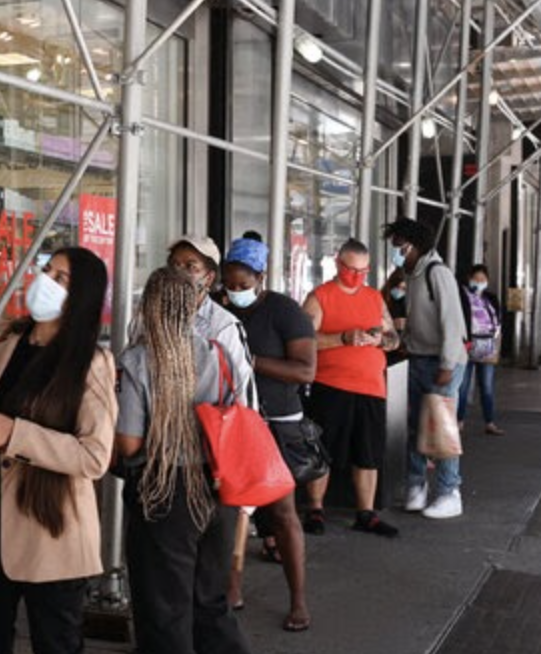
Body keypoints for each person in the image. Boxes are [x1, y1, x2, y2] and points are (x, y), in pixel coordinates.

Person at [0, 247, 116, 654]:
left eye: (61, 279)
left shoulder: (91, 362)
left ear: (82, 298)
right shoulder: (6, 337)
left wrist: (14, 435)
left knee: (56, 642)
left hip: (51, 527)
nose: (45, 281)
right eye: (47, 271)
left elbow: (94, 456)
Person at [116, 266, 252, 654]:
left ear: (151, 308)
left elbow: (129, 443)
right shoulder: (218, 352)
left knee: (164, 611)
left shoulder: (139, 360)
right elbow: (237, 409)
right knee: (210, 601)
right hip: (217, 487)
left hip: (165, 493)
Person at [216, 238, 315, 633]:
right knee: (232, 510)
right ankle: (231, 589)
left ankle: (299, 600)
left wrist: (250, 360)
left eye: (242, 285)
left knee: (283, 513)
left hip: (278, 422)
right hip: (235, 419)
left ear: (260, 278)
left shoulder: (285, 312)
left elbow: (305, 370)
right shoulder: (219, 306)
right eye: (229, 285)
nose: (234, 292)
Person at [301, 239, 401, 537]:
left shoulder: (374, 298)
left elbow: (394, 338)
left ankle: (365, 513)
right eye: (350, 269)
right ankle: (315, 509)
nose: (356, 275)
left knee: (368, 454)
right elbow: (304, 340)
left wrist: (380, 341)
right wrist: (342, 338)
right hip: (330, 386)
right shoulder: (320, 297)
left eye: (363, 270)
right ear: (337, 264)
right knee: (324, 450)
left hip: (371, 387)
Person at [382, 218, 468, 520]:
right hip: (419, 358)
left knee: (441, 428)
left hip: (441, 361)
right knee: (416, 427)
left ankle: (449, 492)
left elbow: (452, 323)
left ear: (413, 245)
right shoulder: (413, 274)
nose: (395, 252)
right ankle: (416, 488)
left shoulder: (437, 273)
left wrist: (447, 364)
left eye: (398, 247)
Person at [167, 235, 254, 405]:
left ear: (209, 277)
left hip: (206, 424)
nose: (180, 273)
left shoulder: (223, 326)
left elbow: (243, 388)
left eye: (191, 267)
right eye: (175, 265)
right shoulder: (147, 317)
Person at [458, 264, 504, 436]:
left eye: (483, 280)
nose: (479, 283)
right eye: (476, 279)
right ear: (469, 278)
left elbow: (498, 320)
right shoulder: (462, 296)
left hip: (487, 348)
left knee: (487, 386)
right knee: (462, 387)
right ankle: (459, 421)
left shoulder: (490, 298)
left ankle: (489, 422)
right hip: (467, 347)